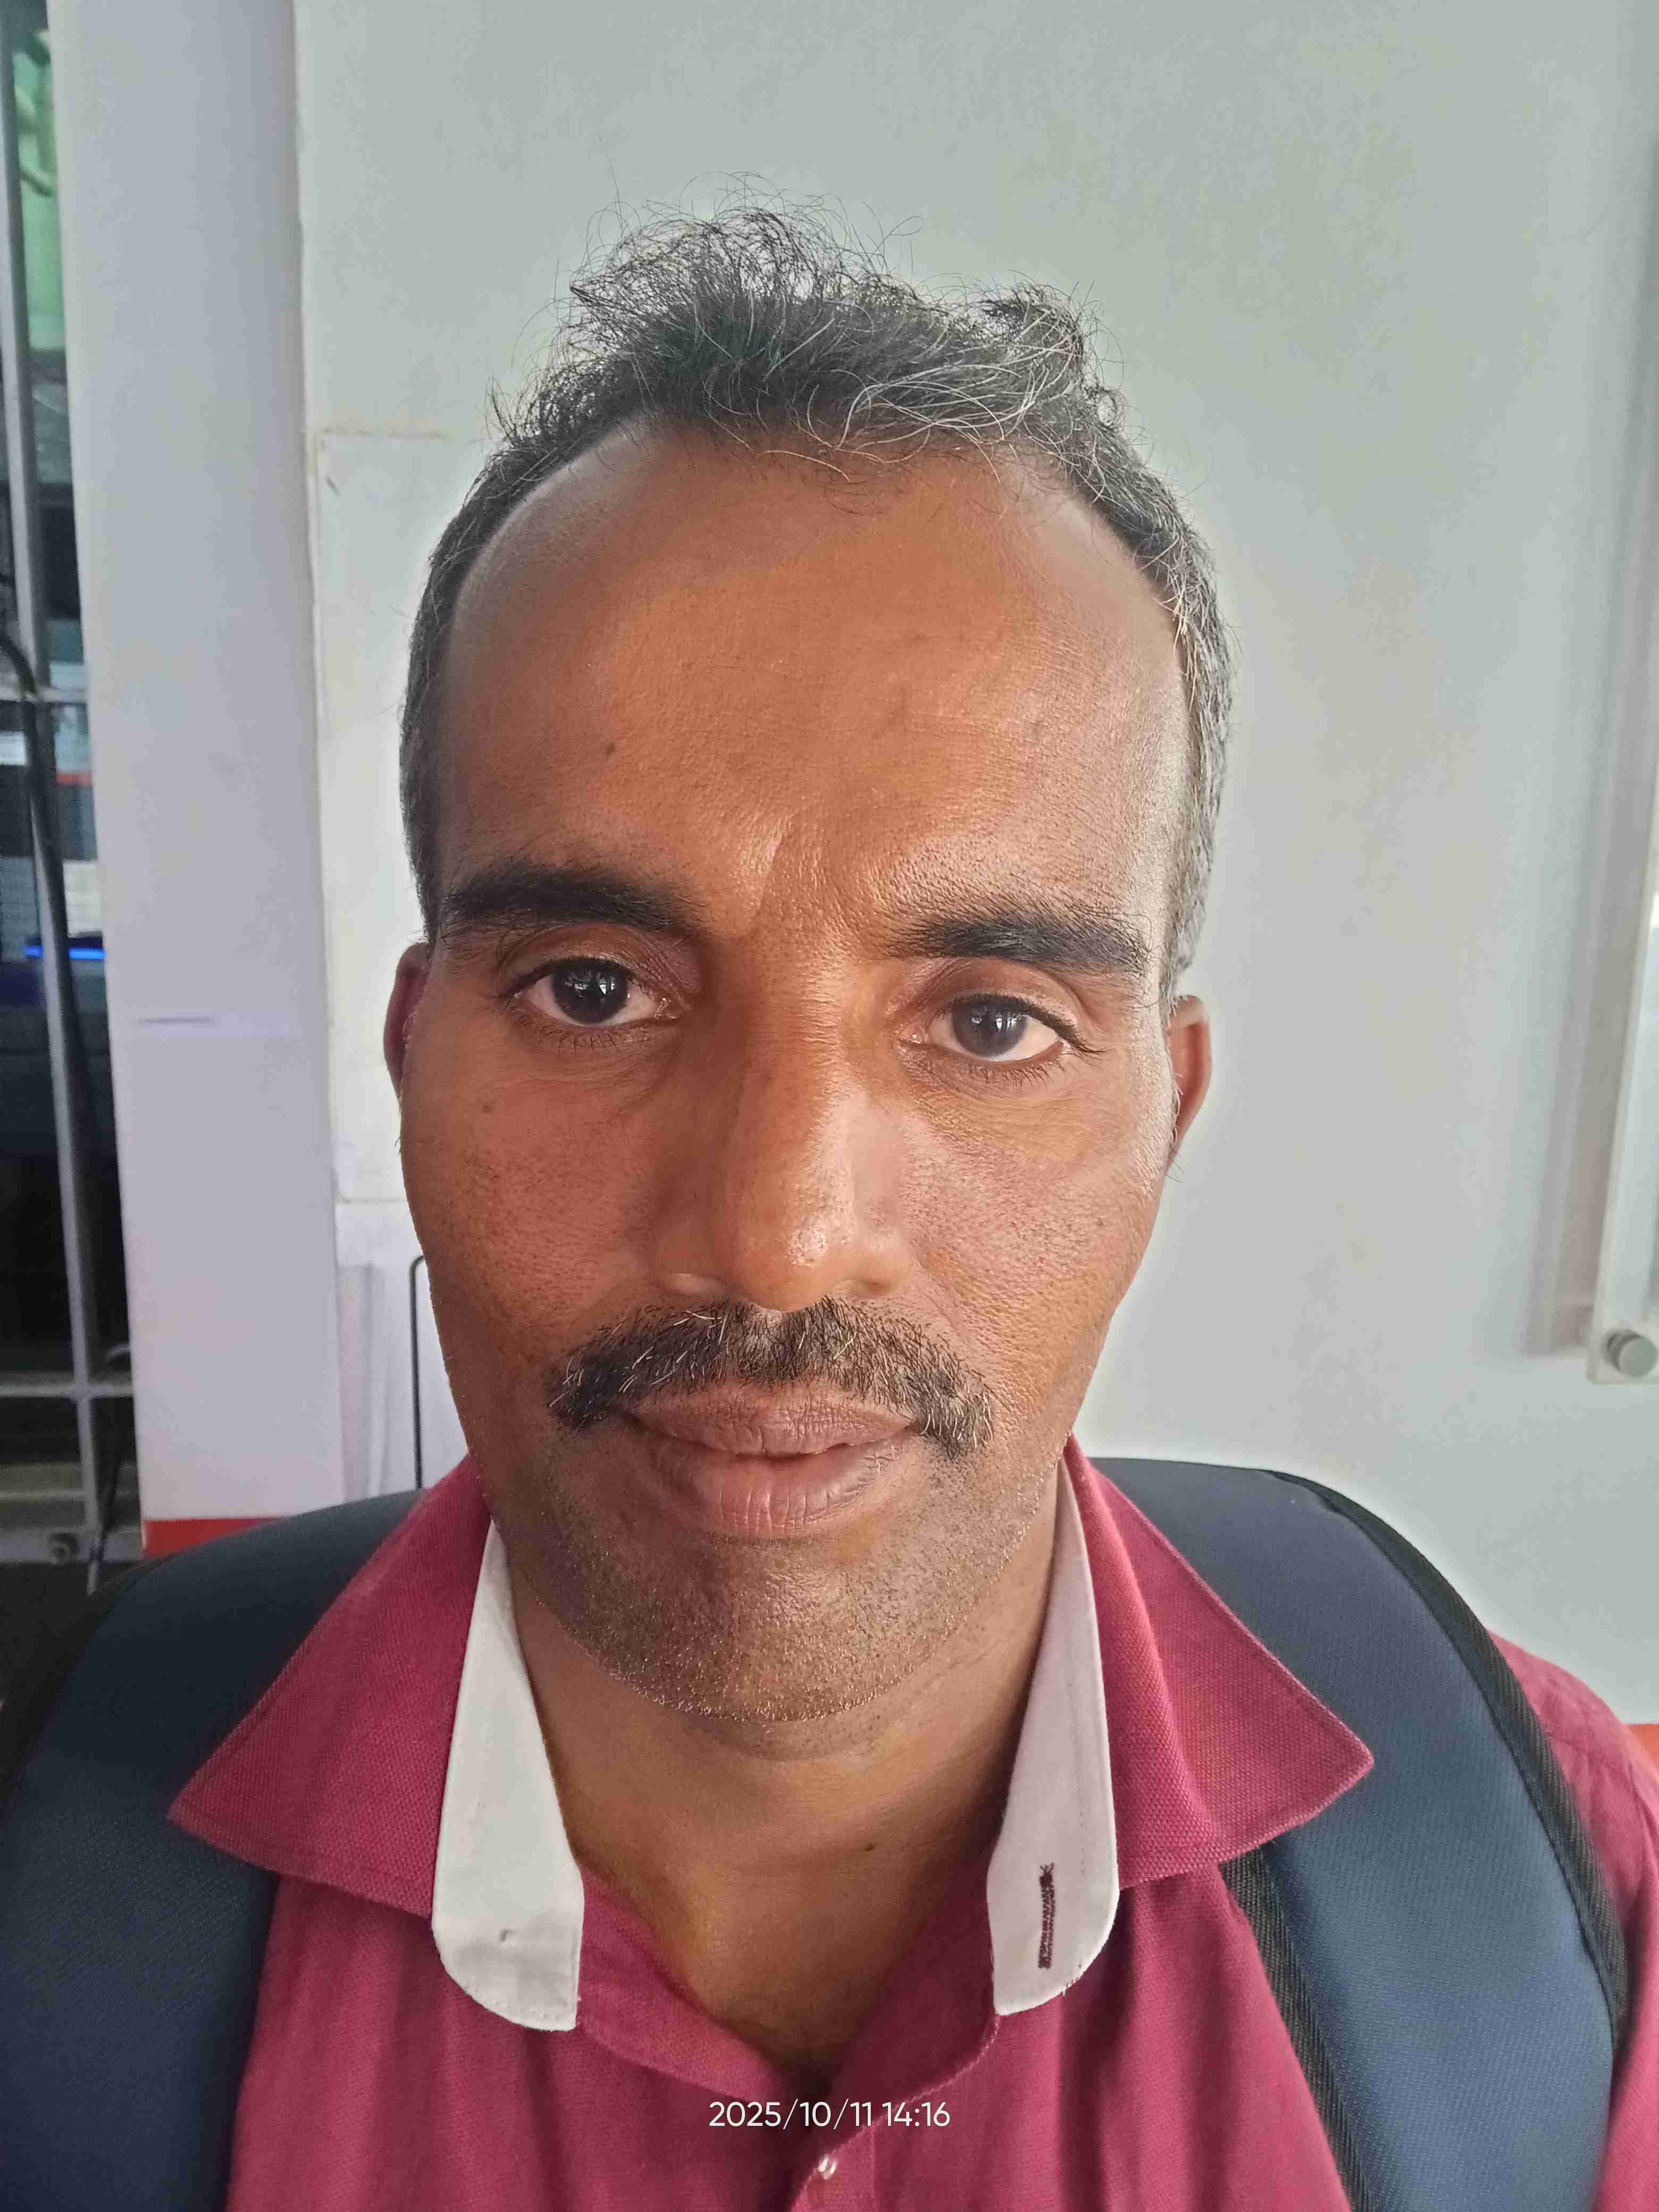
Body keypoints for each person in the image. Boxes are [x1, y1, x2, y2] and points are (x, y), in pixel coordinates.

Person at [164, 199, 1657, 2207]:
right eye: (593, 991)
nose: (778, 1235)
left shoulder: (1552, 1902)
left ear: (1167, 1111)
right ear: (414, 1057)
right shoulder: (57, 1901)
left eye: (990, 1021)